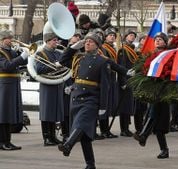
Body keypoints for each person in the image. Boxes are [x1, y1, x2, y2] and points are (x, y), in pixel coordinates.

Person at [58, 32, 110, 169]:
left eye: (91, 42)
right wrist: (73, 47)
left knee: (81, 124)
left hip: (91, 99)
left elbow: (105, 85)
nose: (87, 43)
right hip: (76, 98)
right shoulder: (78, 58)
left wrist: (103, 105)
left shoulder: (102, 61)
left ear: (97, 46)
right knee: (85, 136)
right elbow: (63, 60)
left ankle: (68, 145)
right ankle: (90, 164)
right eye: (86, 41)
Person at [133, 32, 171, 159]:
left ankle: (144, 135)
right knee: (155, 117)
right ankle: (163, 149)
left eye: (160, 39)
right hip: (152, 89)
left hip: (163, 89)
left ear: (165, 42)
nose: (158, 41)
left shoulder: (169, 55)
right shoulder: (152, 55)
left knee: (156, 118)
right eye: (156, 39)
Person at [0, 30, 29, 151]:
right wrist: (19, 57)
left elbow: (23, 62)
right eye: (8, 38)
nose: (11, 40)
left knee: (9, 114)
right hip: (4, 85)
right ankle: (2, 142)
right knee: (3, 114)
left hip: (12, 85)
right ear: (2, 40)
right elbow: (7, 66)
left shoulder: (10, 51)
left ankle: (8, 141)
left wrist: (23, 54)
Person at [36, 32, 64, 146]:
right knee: (47, 111)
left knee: (54, 111)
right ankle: (46, 137)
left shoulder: (58, 53)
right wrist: (54, 65)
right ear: (47, 41)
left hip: (57, 84)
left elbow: (64, 66)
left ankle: (53, 136)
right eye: (54, 40)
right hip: (47, 85)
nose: (56, 42)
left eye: (56, 40)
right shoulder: (41, 53)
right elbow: (39, 69)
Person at [117, 29, 139, 137]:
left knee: (129, 105)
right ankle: (123, 129)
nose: (132, 37)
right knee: (124, 106)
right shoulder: (123, 50)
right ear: (126, 37)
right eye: (130, 35)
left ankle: (127, 127)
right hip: (126, 80)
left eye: (133, 36)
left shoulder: (132, 50)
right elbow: (121, 67)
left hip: (132, 80)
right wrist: (123, 82)